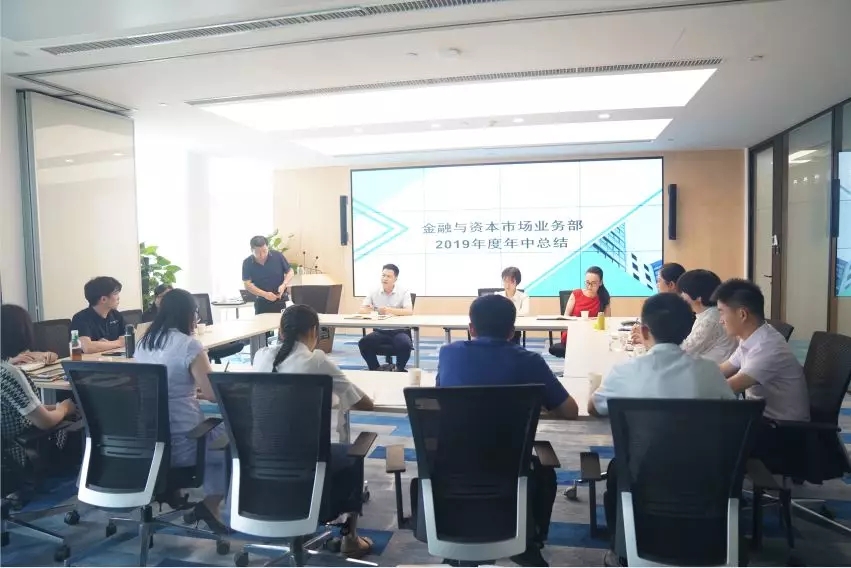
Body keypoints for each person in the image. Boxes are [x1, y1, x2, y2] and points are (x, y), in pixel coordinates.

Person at [587, 293, 735, 567]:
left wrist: (596, 388)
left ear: (644, 331)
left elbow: (594, 407)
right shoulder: (709, 372)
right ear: (687, 330)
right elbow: (731, 412)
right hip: (705, 474)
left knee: (616, 473)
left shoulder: (625, 371)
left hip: (642, 472)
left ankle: (621, 551)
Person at [437, 294, 578, 567]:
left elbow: (443, 394)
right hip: (511, 466)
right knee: (545, 471)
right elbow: (570, 410)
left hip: (454, 465)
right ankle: (528, 542)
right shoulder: (530, 361)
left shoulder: (449, 353)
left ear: (471, 328)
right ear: (512, 332)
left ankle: (458, 544)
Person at [253, 304, 375, 558]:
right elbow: (362, 402)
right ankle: (350, 538)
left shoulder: (261, 356)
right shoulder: (316, 360)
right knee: (352, 454)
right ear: (313, 331)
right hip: (307, 462)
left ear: (281, 331)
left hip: (259, 461)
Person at [134, 289, 229, 533]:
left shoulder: (143, 343)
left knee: (215, 439)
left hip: (149, 443)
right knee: (231, 443)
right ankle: (210, 504)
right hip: (186, 442)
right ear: (188, 314)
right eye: (196, 313)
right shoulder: (189, 345)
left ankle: (190, 499)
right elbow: (211, 394)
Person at [1, 304, 76, 470]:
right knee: (78, 424)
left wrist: (54, 407)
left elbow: (24, 408)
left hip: (7, 451)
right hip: (21, 453)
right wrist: (63, 408)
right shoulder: (9, 374)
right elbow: (45, 422)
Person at [358, 264, 414, 372]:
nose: (385, 278)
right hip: (380, 331)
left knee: (405, 344)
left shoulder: (404, 291)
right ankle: (375, 368)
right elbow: (362, 310)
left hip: (399, 331)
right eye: (383, 275)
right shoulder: (373, 291)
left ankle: (399, 369)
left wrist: (389, 310)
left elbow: (409, 311)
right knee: (363, 343)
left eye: (388, 276)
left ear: (395, 278)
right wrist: (373, 310)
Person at [549, 266, 611, 358]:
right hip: (573, 333)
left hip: (593, 334)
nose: (589, 286)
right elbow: (565, 317)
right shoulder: (576, 294)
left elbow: (607, 322)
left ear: (600, 282)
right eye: (587, 282)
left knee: (597, 345)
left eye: (593, 283)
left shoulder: (604, 298)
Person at [676, 269, 737, 362]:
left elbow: (683, 351)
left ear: (698, 297)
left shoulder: (710, 320)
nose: (681, 296)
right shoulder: (709, 313)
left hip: (717, 369)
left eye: (683, 292)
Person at [70, 276, 126, 354]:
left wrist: (104, 345)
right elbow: (87, 347)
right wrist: (119, 343)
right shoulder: (79, 318)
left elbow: (133, 335)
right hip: (87, 361)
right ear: (103, 299)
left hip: (112, 358)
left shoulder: (116, 315)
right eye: (115, 294)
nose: (118, 297)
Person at [242, 235, 295, 315]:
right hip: (261, 302)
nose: (262, 255)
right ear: (251, 250)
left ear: (267, 247)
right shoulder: (247, 263)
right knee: (262, 323)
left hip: (280, 299)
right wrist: (265, 294)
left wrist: (284, 284)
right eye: (258, 252)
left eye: (264, 251)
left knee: (283, 322)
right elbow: (247, 284)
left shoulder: (277, 256)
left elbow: (290, 271)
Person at [497, 266, 528, 344]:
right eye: (505, 281)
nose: (507, 285)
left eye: (511, 282)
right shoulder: (497, 295)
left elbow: (525, 313)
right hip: (497, 328)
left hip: (514, 329)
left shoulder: (523, 296)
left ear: (517, 282)